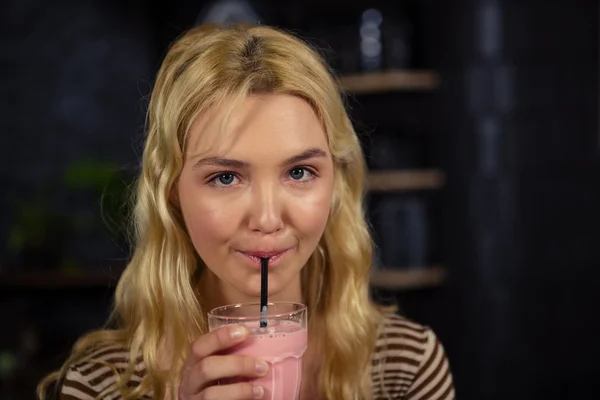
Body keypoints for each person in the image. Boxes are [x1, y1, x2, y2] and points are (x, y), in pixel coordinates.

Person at [38, 24, 455, 400]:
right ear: (172, 194)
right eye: (225, 178)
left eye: (299, 171)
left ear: (335, 184)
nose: (268, 218)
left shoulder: (405, 367)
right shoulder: (101, 386)